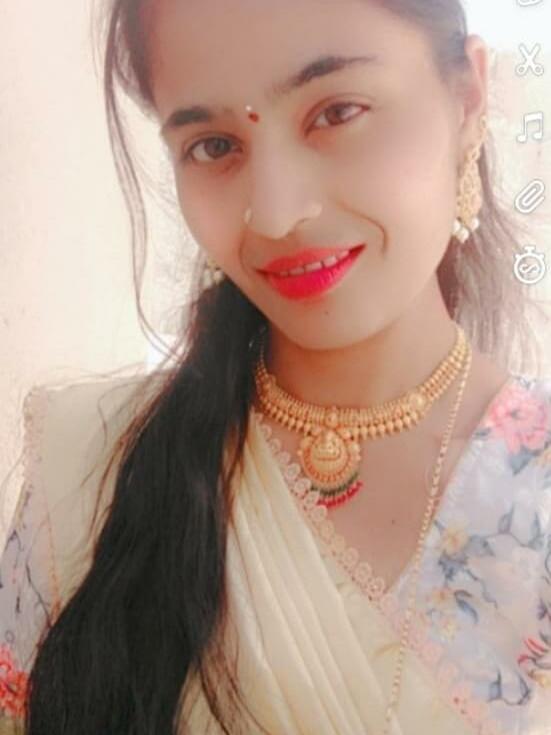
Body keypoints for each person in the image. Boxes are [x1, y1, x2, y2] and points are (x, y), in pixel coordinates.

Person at [1, 0, 550, 733]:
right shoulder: (87, 475)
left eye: (337, 112)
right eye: (213, 145)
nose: (274, 212)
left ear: (468, 96)